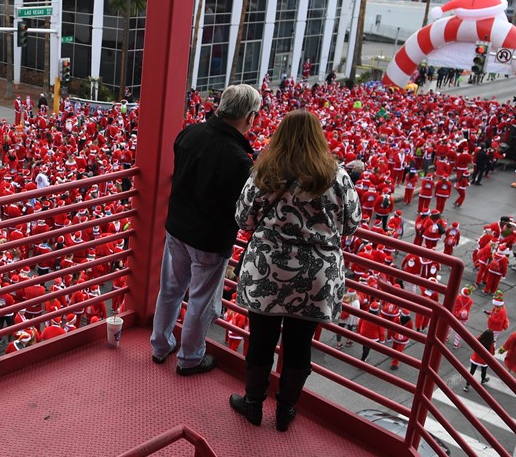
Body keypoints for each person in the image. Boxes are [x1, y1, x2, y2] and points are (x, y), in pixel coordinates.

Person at [228, 109, 362, 432]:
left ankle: (253, 404)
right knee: (300, 345)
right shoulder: (337, 175)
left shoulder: (266, 171)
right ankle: (286, 410)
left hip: (268, 270)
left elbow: (243, 218)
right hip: (316, 277)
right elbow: (352, 225)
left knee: (261, 339)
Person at [150, 84, 262, 375]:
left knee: (170, 291)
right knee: (199, 300)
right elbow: (241, 210)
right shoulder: (240, 161)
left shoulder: (189, 134)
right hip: (210, 241)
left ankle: (160, 346)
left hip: (177, 229)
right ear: (249, 117)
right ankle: (189, 359)